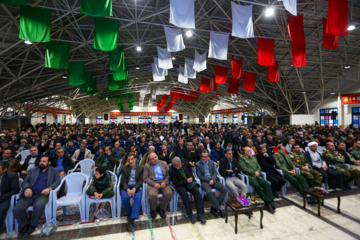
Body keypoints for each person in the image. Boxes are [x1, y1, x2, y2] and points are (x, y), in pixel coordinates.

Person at [13, 156, 60, 238]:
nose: (41, 163)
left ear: (49, 163)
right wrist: (27, 188)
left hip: (43, 194)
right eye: (41, 161)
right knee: (17, 209)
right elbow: (25, 181)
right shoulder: (33, 170)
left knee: (38, 205)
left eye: (44, 161)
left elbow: (57, 181)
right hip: (30, 194)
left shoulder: (54, 170)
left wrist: (49, 189)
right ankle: (25, 226)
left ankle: (32, 225)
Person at [239, 147, 275, 214]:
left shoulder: (254, 158)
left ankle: (269, 201)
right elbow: (244, 169)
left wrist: (258, 172)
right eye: (249, 151)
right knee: (257, 186)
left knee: (266, 184)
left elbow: (259, 167)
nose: (250, 152)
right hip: (250, 177)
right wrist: (253, 173)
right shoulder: (242, 159)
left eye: (251, 151)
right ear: (245, 152)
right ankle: (267, 202)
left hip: (258, 176)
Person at [170, 157, 206, 224]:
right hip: (180, 185)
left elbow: (190, 172)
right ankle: (190, 214)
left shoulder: (184, 162)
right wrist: (186, 181)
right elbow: (176, 183)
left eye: (180, 164)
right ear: (174, 165)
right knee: (185, 195)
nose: (180, 166)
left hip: (189, 182)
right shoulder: (171, 170)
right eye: (178, 165)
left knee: (197, 192)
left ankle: (200, 215)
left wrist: (192, 180)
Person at [195, 151, 227, 218]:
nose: (204, 158)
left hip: (213, 180)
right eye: (202, 157)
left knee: (224, 189)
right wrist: (209, 180)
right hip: (204, 181)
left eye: (205, 157)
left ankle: (214, 207)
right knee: (209, 192)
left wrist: (212, 179)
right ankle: (220, 209)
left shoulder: (212, 162)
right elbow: (199, 176)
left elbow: (215, 173)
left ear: (208, 157)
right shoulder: (198, 164)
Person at [143, 153, 174, 219]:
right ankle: (153, 209)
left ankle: (162, 209)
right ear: (150, 160)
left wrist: (165, 182)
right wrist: (154, 184)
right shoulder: (147, 166)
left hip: (163, 182)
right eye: (152, 159)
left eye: (155, 157)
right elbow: (145, 178)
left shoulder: (164, 163)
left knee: (169, 193)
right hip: (153, 183)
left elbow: (169, 175)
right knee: (152, 195)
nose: (154, 159)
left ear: (157, 156)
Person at [120, 154, 144, 232]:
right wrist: (127, 189)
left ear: (135, 159)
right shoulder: (124, 168)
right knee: (125, 197)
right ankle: (130, 213)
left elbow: (140, 181)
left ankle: (132, 219)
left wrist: (134, 188)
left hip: (136, 188)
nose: (130, 161)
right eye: (129, 160)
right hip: (126, 188)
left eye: (132, 159)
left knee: (137, 198)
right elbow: (123, 181)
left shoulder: (140, 169)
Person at [0, 161, 20, 230]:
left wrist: (1, 198)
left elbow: (15, 190)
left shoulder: (12, 176)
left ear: (4, 170)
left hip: (7, 198)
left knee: (1, 209)